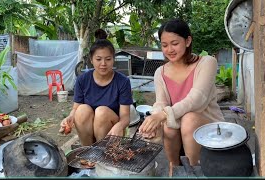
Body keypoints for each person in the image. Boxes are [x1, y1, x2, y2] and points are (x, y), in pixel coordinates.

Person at [139, 18, 225, 166]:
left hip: (209, 127)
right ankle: (175, 167)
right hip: (178, 130)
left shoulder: (207, 62)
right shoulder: (160, 72)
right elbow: (161, 102)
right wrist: (154, 122)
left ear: (187, 41)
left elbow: (197, 99)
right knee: (168, 125)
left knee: (188, 118)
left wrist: (163, 114)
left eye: (175, 43)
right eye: (164, 45)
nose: (169, 50)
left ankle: (194, 170)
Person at [59, 38, 133, 146]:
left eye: (108, 59)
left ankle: (102, 153)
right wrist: (70, 118)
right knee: (82, 110)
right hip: (88, 130)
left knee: (101, 112)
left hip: (112, 133)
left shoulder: (123, 81)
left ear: (113, 59)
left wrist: (120, 126)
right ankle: (88, 151)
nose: (103, 63)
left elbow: (125, 117)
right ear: (91, 59)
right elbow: (76, 108)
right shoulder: (82, 80)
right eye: (98, 59)